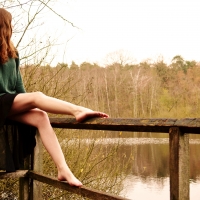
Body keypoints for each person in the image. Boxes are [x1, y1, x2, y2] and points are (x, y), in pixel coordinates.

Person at [0, 8, 109, 187]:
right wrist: (30, 100)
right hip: (1, 102)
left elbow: (20, 89)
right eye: (10, 24)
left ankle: (63, 169)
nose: (12, 28)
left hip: (9, 103)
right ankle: (78, 110)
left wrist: (27, 104)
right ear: (4, 26)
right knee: (37, 97)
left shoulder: (13, 53)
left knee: (41, 116)